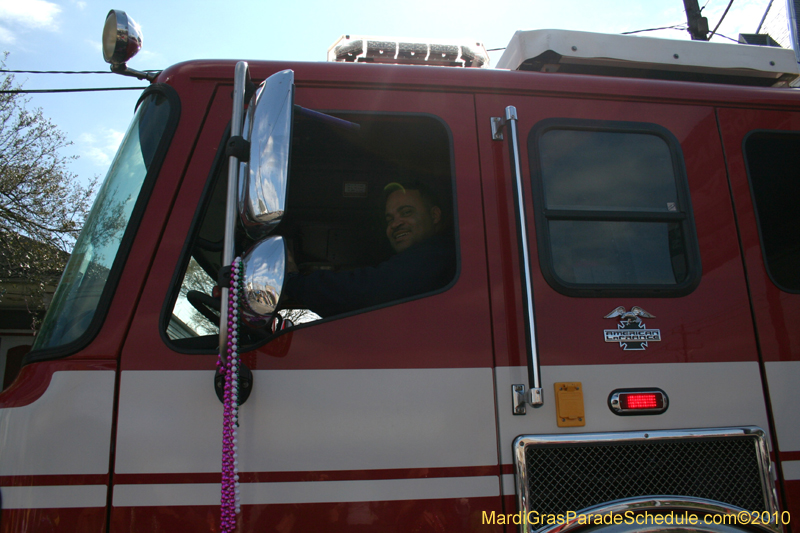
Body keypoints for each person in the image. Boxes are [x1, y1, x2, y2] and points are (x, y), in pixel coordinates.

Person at [282, 180, 456, 318]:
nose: (395, 224)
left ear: (434, 215)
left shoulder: (436, 255)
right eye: (389, 219)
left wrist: (293, 281)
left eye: (407, 212)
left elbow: (366, 290)